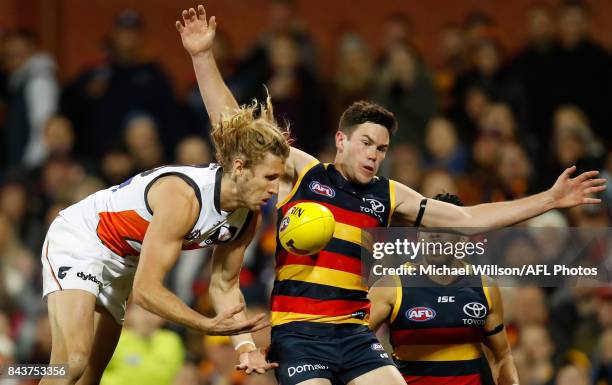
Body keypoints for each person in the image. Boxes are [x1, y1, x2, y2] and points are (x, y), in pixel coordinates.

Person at [178, 5, 606, 384]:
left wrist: (548, 200)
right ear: (341, 140)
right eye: (365, 142)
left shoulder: (388, 194)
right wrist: (202, 56)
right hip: (298, 333)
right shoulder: (303, 172)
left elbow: (468, 218)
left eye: (382, 148)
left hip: (353, 332)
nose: (374, 155)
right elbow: (237, 127)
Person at [40, 92, 290, 384]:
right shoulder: (183, 197)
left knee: (89, 377)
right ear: (239, 168)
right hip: (83, 238)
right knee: (72, 362)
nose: (275, 190)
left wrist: (245, 346)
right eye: (269, 178)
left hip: (123, 259)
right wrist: (204, 324)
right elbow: (146, 291)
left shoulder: (248, 216)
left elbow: (224, 286)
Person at [368, 193, 519, 385]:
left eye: (443, 227)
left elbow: (503, 357)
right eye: (427, 226)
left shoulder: (485, 288)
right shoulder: (390, 288)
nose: (434, 234)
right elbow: (353, 345)